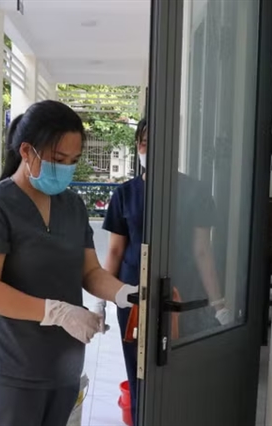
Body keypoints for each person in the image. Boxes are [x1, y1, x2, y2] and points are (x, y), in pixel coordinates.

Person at [0, 100, 138, 426]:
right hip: (11, 368)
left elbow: (90, 271)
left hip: (63, 365)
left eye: (73, 161)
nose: (66, 169)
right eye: (58, 160)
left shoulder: (72, 206)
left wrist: (123, 292)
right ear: (26, 151)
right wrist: (57, 312)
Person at [100, 118, 231, 426]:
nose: (149, 149)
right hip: (134, 298)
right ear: (138, 146)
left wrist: (218, 303)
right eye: (144, 142)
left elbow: (203, 251)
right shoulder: (125, 194)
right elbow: (116, 251)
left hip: (181, 297)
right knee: (138, 374)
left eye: (157, 142)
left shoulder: (196, 191)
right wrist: (101, 300)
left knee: (180, 371)